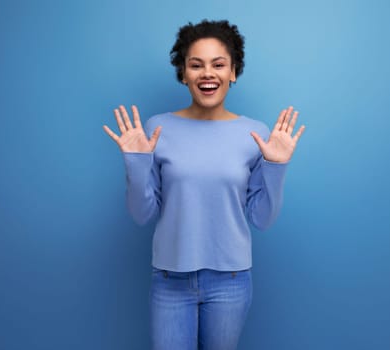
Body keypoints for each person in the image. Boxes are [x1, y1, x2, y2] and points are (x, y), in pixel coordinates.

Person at [103, 19, 305, 350]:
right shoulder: (157, 129)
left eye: (218, 64)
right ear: (183, 74)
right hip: (170, 280)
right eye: (196, 65)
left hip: (231, 280)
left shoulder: (254, 134)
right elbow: (142, 214)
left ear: (233, 72)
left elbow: (262, 219)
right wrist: (136, 162)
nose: (207, 73)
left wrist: (276, 166)